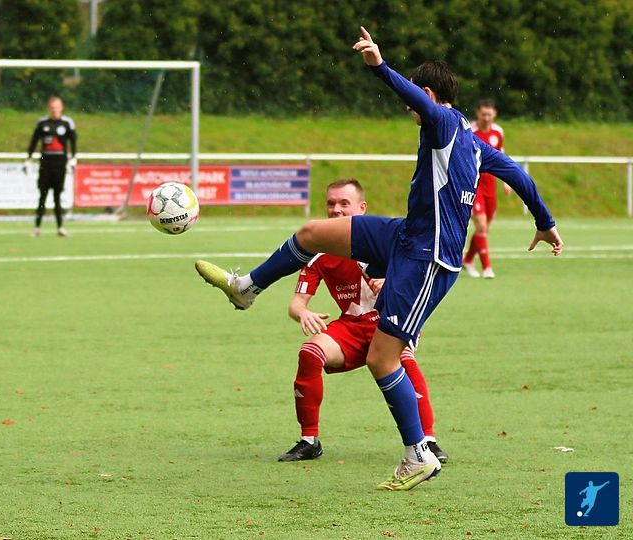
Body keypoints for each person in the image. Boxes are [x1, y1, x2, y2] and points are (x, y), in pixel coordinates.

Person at [195, 27, 562, 490]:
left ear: (429, 95)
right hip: (404, 236)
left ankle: (417, 454)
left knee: (383, 359)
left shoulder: (443, 122)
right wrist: (544, 220)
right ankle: (247, 288)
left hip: (428, 258)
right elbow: (517, 174)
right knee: (312, 233)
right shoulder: (472, 141)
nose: (411, 109)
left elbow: (425, 106)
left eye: (416, 99)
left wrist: (380, 68)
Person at [280, 179, 447, 463]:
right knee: (310, 352)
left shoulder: (386, 239)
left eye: (344, 203)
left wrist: (393, 283)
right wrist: (303, 313)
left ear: (362, 208)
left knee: (404, 360)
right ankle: (309, 440)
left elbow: (422, 278)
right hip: (351, 327)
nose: (336, 209)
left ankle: (427, 441)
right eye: (331, 203)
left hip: (390, 322)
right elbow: (296, 304)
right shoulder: (319, 250)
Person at [462, 99, 511, 278]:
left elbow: (501, 156)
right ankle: (487, 268)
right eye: (483, 114)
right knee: (481, 225)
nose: (486, 118)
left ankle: (467, 260)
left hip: (491, 184)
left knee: (484, 229)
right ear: (478, 113)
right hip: (474, 184)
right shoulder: (470, 131)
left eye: (489, 114)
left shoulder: (498, 132)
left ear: (494, 114)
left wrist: (506, 181)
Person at [25, 96, 77, 237]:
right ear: (49, 108)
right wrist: (28, 158)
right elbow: (34, 141)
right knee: (42, 196)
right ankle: (37, 227)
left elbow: (73, 142)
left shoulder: (67, 123)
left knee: (57, 197)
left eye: (57, 107)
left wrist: (73, 158)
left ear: (61, 107)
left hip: (60, 164)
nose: (55, 110)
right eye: (52, 107)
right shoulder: (42, 123)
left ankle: (60, 227)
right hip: (45, 164)